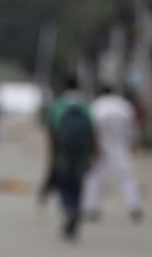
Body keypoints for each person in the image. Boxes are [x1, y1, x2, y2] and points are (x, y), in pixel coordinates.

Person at [45, 76, 97, 240]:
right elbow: (93, 132)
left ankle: (68, 210)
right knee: (77, 186)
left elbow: (52, 133)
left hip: (63, 154)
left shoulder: (58, 105)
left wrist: (52, 156)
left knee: (63, 186)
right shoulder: (87, 106)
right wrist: (95, 153)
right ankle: (76, 211)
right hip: (82, 154)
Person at [82, 85, 143, 223]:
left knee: (95, 177)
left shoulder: (97, 105)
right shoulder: (124, 105)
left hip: (102, 145)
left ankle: (93, 207)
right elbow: (132, 128)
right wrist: (132, 144)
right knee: (126, 176)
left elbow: (93, 129)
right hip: (119, 145)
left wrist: (93, 148)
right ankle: (134, 205)